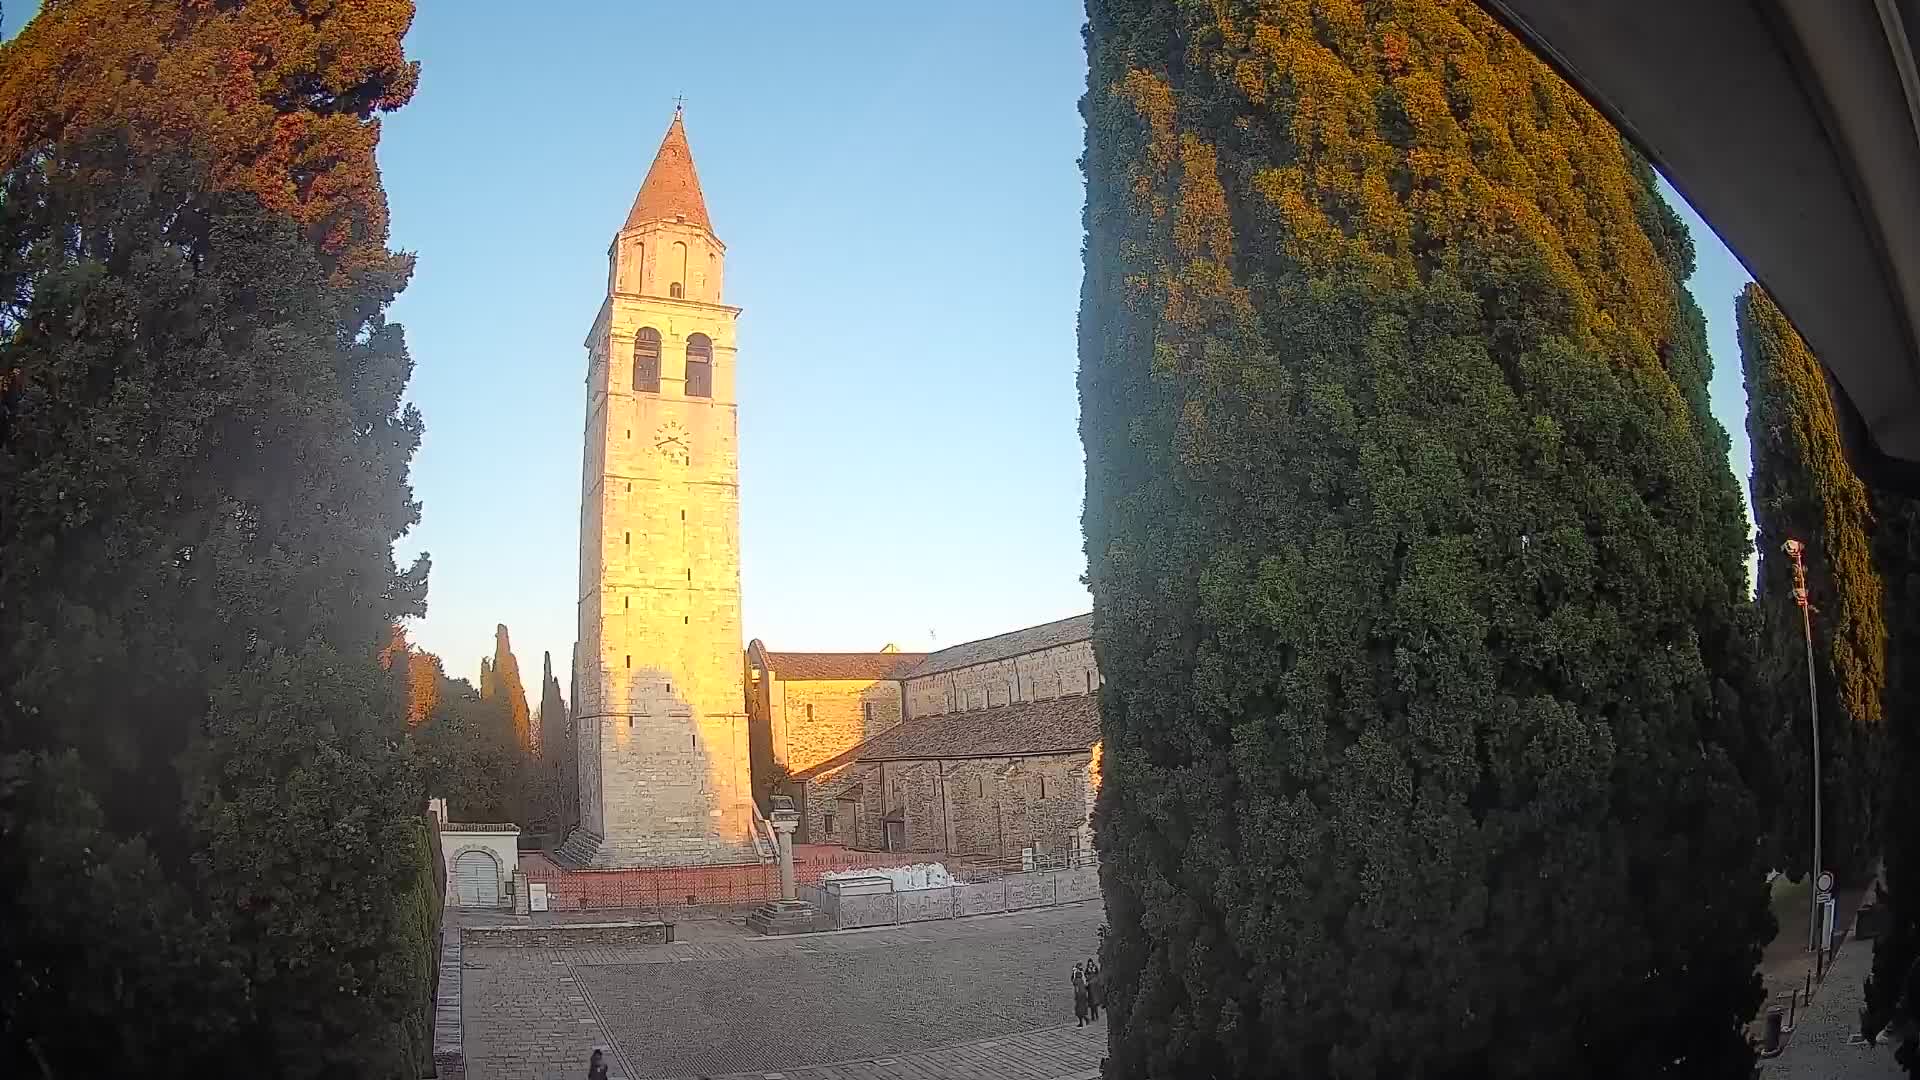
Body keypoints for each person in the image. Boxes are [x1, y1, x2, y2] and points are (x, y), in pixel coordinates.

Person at [1085, 956, 1103, 1020]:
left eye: (1091, 963)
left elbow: (1098, 976)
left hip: (1095, 988)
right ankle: (1093, 1016)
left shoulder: (1095, 968)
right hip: (1090, 989)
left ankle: (1096, 1015)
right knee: (1092, 1003)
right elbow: (1086, 978)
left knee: (1095, 1003)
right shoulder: (1087, 970)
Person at [1072, 962, 1090, 1026]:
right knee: (1080, 1009)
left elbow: (1074, 981)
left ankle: (1083, 1021)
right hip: (1081, 995)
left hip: (1081, 995)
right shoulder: (1081, 977)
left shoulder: (1080, 978)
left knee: (1079, 1009)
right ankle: (1083, 1021)